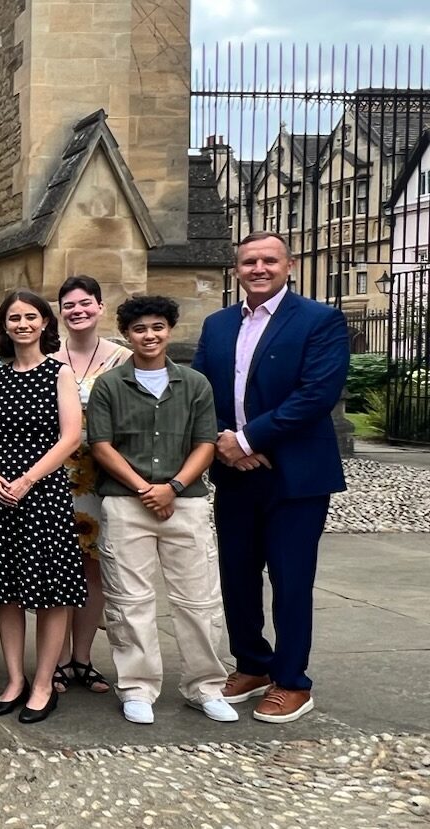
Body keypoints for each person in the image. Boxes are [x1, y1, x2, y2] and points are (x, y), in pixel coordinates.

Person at [191, 231, 348, 724]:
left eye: (269, 260)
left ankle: (292, 680)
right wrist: (224, 442)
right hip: (235, 473)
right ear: (237, 269)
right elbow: (196, 392)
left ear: (289, 264)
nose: (259, 268)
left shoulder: (319, 321)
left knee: (290, 578)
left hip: (295, 475)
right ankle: (252, 664)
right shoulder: (217, 325)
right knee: (236, 576)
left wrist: (249, 439)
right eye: (249, 261)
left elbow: (316, 394)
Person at [87, 296, 237, 725]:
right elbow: (101, 445)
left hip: (184, 503)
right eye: (139, 329)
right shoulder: (110, 385)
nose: (149, 336)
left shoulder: (195, 384)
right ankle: (137, 686)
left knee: (199, 599)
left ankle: (205, 686)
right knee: (129, 600)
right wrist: (143, 488)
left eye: (157, 327)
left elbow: (205, 443)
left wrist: (172, 487)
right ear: (127, 334)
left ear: (169, 330)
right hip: (125, 502)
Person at [0, 290, 84, 724]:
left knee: (52, 592)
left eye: (30, 317)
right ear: (4, 326)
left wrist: (28, 479)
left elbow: (71, 436)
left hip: (44, 491)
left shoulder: (60, 373)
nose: (22, 324)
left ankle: (42, 683)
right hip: (0, 493)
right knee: (8, 591)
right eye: (13, 317)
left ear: (45, 323)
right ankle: (15, 678)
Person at [49, 275, 129, 696]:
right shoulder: (47, 357)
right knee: (57, 568)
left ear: (100, 307)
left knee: (93, 568)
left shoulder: (122, 359)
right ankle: (57, 659)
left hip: (101, 475)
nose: (77, 311)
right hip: (55, 474)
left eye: (85, 304)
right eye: (69, 305)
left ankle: (84, 657)